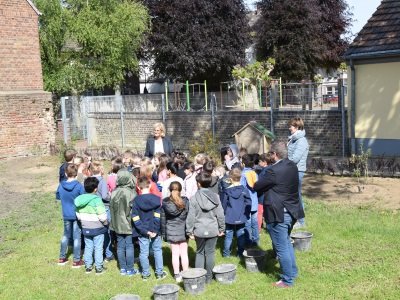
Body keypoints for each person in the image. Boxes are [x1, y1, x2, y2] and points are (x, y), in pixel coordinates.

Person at [254, 142, 305, 288]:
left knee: (281, 247)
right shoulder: (292, 166)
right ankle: (293, 272)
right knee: (286, 243)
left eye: (270, 153)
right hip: (292, 210)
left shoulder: (273, 171)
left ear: (275, 154)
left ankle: (287, 280)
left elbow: (258, 186)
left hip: (278, 213)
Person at [186, 172, 225, 284]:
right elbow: (221, 214)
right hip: (213, 229)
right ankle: (209, 278)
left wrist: (189, 231)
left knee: (199, 252)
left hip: (199, 230)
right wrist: (222, 228)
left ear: (198, 184)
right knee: (210, 253)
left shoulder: (193, 198)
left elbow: (190, 217)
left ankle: (199, 277)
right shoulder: (216, 197)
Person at [132, 176, 167, 280]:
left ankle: (146, 274)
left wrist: (144, 230)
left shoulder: (136, 201)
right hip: (155, 229)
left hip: (142, 231)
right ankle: (159, 273)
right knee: (157, 250)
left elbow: (135, 218)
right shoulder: (157, 199)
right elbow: (158, 216)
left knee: (143, 252)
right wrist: (155, 230)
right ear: (151, 185)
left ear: (138, 187)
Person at [75, 177, 108, 274]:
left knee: (88, 247)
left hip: (85, 227)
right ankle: (99, 268)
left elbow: (77, 213)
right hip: (98, 228)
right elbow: (102, 216)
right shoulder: (97, 200)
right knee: (98, 247)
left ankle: (88, 267)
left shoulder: (79, 200)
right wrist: (106, 223)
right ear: (96, 189)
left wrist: (83, 221)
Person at [110, 169, 139, 276]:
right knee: (129, 246)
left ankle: (122, 268)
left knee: (120, 246)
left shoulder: (114, 192)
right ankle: (130, 269)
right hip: (128, 224)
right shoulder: (132, 193)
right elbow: (134, 211)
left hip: (117, 224)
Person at [56, 164, 85, 267]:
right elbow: (84, 198)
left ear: (65, 173)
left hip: (66, 214)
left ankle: (62, 257)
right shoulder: (78, 186)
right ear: (76, 174)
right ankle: (76, 260)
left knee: (66, 235)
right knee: (77, 237)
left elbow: (58, 196)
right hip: (77, 215)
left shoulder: (61, 185)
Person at [161, 182, 189, 283]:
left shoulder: (165, 202)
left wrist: (164, 234)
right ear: (180, 190)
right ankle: (186, 273)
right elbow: (188, 216)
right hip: (183, 230)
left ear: (169, 189)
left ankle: (177, 275)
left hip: (171, 230)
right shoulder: (185, 201)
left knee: (175, 254)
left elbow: (163, 219)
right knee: (184, 253)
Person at [221, 168, 251, 257]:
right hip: (241, 216)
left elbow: (224, 204)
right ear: (240, 177)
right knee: (240, 235)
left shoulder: (226, 191)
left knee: (228, 236)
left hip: (229, 216)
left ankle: (226, 254)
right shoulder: (244, 190)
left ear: (230, 178)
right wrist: (247, 214)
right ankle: (240, 253)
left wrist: (224, 213)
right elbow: (249, 203)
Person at [287, 117, 309, 227]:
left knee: (296, 196)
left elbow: (295, 158)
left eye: (291, 126)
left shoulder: (301, 141)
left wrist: (284, 162)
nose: (289, 127)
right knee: (293, 195)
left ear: (297, 127)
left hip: (297, 171)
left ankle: (301, 221)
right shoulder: (294, 138)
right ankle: (295, 219)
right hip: (292, 170)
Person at [90, 161, 113, 262]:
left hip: (93, 209)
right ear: (101, 169)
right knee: (106, 232)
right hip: (104, 208)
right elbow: (104, 196)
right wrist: (111, 196)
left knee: (96, 231)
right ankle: (108, 254)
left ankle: (97, 253)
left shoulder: (89, 180)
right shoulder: (102, 181)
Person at [240, 154, 259, 247]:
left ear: (243, 163)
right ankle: (256, 240)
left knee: (247, 222)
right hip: (254, 201)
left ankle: (248, 241)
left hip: (246, 202)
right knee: (254, 222)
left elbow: (241, 188)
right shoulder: (254, 173)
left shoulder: (243, 174)